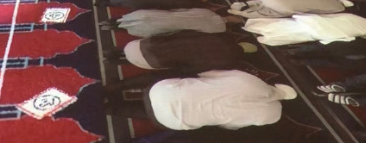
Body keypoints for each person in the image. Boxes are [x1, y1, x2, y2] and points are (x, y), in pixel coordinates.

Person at [104, 70, 297, 130]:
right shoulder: (269, 115)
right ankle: (112, 109)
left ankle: (115, 89)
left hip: (157, 91)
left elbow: (207, 74)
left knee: (183, 81)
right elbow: (229, 126)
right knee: (170, 115)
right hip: (170, 120)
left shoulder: (248, 80)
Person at [105, 31, 257, 73]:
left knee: (156, 43)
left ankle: (117, 52)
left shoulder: (212, 37)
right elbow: (187, 69)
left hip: (135, 45)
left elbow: (179, 34)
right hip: (147, 63)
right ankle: (121, 60)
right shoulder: (225, 61)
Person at [98, 7, 242, 37]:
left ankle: (109, 23)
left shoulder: (208, 11)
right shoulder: (217, 29)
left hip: (164, 17)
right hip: (166, 23)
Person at [243, 12, 366, 46]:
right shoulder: (361, 29)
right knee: (290, 32)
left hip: (315, 24)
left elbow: (331, 16)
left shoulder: (352, 16)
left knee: (286, 27)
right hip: (318, 29)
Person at [228, 0, 354, 19]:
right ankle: (241, 13)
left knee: (261, 1)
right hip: (284, 8)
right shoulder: (337, 9)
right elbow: (314, 13)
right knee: (265, 13)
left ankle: (241, 5)